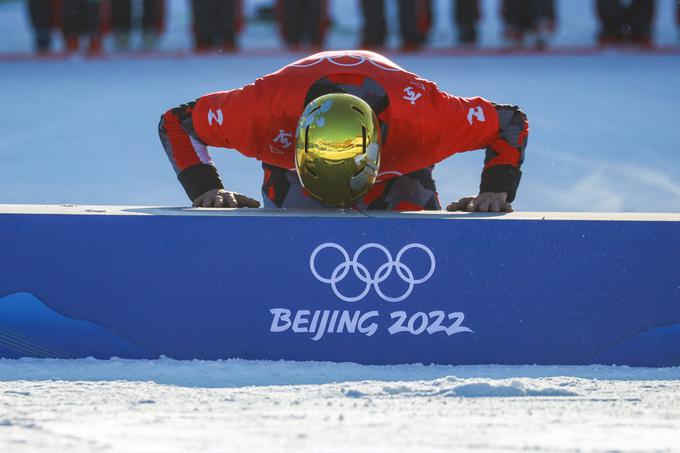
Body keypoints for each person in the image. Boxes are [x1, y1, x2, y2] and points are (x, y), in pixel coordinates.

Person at [158, 51, 528, 212]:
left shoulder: (428, 117)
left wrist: (495, 191)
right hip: (292, 172)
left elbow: (509, 123)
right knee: (294, 239)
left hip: (399, 162)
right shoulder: (262, 111)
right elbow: (177, 122)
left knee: (410, 223)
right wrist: (206, 189)